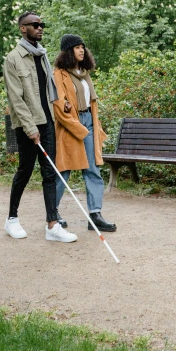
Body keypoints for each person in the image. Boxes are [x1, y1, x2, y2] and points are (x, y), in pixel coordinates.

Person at [3, 12, 77, 243]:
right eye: (35, 25)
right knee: (24, 171)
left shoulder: (43, 56)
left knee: (49, 173)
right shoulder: (13, 59)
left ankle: (52, 225)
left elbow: (47, 91)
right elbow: (16, 99)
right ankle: (12, 219)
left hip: (47, 123)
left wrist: (60, 105)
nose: (40, 28)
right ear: (22, 29)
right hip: (28, 126)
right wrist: (29, 128)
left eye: (41, 24)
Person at [52, 34, 117, 232]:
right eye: (77, 47)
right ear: (68, 51)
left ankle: (95, 215)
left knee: (93, 170)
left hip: (88, 122)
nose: (81, 50)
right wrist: (78, 127)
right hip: (71, 126)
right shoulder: (59, 75)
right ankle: (52, 213)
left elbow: (91, 102)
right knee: (64, 170)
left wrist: (93, 126)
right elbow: (59, 106)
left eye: (83, 47)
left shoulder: (85, 73)